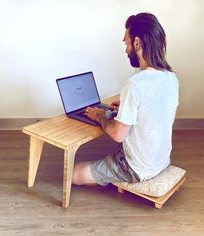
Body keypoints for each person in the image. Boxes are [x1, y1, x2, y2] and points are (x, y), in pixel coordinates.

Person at [72, 12, 179, 186]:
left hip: (137, 168)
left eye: (126, 42)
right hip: (160, 160)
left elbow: (117, 134)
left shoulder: (135, 84)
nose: (126, 49)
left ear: (137, 43)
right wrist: (127, 106)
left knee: (75, 173)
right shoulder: (170, 78)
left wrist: (98, 116)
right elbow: (157, 109)